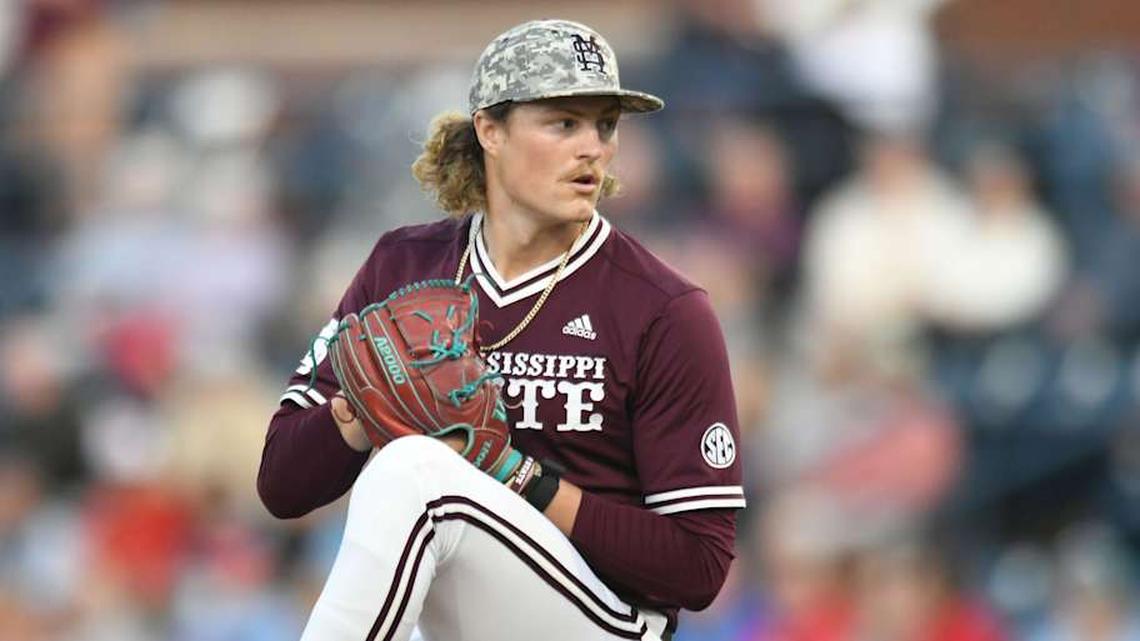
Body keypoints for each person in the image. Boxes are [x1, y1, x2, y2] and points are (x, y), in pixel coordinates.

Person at [257, 19, 746, 641]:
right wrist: (361, 406)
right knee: (407, 472)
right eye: (564, 123)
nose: (592, 147)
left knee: (414, 471)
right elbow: (280, 485)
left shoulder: (663, 307)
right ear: (490, 130)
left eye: (605, 125)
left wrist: (516, 474)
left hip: (607, 619)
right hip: (451, 611)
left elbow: (698, 568)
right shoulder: (404, 265)